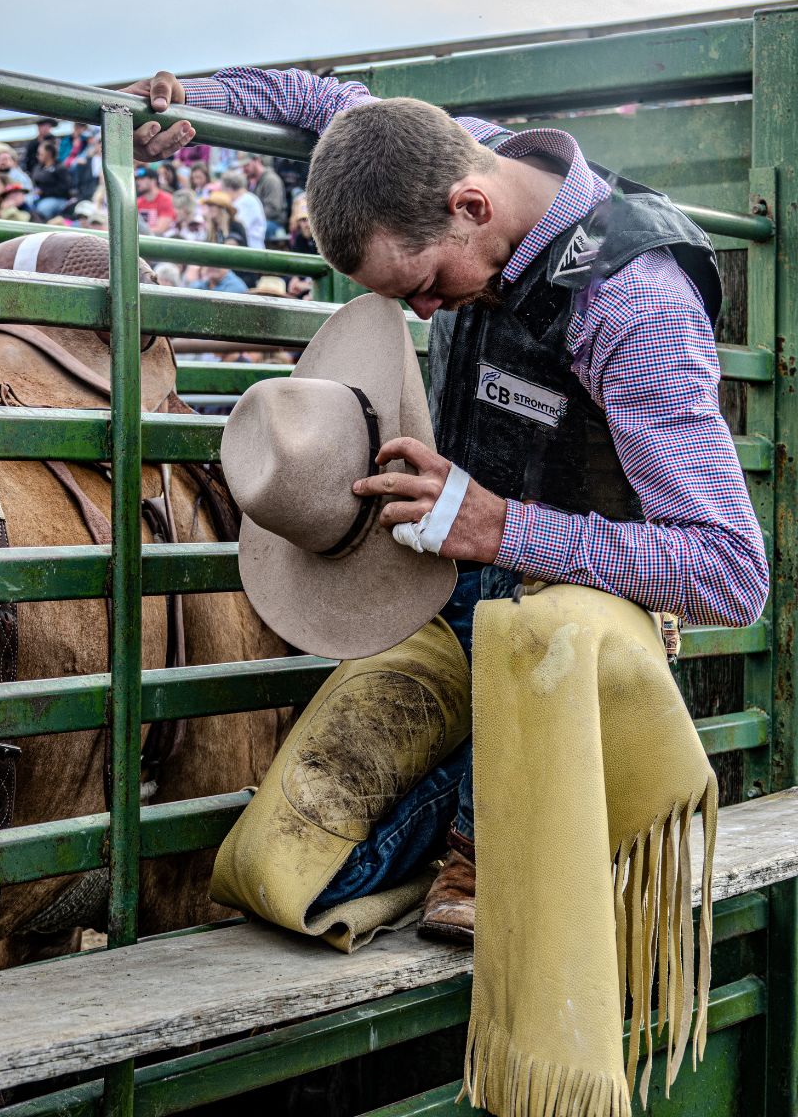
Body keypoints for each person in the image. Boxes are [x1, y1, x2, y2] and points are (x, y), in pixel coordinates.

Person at [126, 67, 769, 942]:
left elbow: (730, 574)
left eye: (424, 283)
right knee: (276, 864)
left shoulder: (634, 306)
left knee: (317, 874)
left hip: (563, 637)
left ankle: (479, 839)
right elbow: (323, 100)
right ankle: (453, 837)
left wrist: (501, 527)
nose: (422, 309)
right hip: (456, 577)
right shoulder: (445, 151)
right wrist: (191, 106)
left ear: (470, 206)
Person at [239, 153, 287, 239]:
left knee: (251, 232)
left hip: (274, 222)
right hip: (259, 220)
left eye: (246, 165)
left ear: (257, 160)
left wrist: (253, 217)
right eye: (242, 166)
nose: (244, 169)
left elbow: (273, 209)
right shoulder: (250, 181)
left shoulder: (271, 180)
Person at [221, 170, 266, 250]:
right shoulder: (240, 200)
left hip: (252, 250)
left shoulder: (247, 200)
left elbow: (240, 228)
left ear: (229, 189)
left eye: (223, 190)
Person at [31, 139, 72, 220]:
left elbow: (65, 189)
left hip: (58, 199)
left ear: (48, 153)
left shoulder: (60, 168)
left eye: (40, 154)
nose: (38, 156)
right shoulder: (38, 167)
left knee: (42, 209)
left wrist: (44, 191)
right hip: (39, 197)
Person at [135, 165, 176, 235]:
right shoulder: (137, 202)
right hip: (142, 241)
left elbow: (160, 230)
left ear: (153, 181)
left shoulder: (166, 199)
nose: (138, 182)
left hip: (161, 242)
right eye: (137, 179)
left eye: (142, 179)